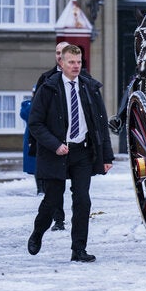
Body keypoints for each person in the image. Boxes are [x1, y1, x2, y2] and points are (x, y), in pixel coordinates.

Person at [27, 44, 114, 262]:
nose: (76, 66)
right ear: (61, 63)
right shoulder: (48, 88)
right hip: (55, 153)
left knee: (83, 201)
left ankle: (78, 249)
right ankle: (38, 232)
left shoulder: (89, 87)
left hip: (82, 152)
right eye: (71, 63)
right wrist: (55, 144)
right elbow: (35, 124)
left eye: (79, 62)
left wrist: (106, 156)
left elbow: (101, 123)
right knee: (52, 200)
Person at [26, 41, 73, 229]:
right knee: (55, 183)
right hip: (52, 140)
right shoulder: (45, 79)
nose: (59, 55)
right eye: (57, 52)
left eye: (63, 52)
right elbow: (36, 114)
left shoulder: (81, 78)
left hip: (74, 138)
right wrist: (35, 141)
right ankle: (58, 218)